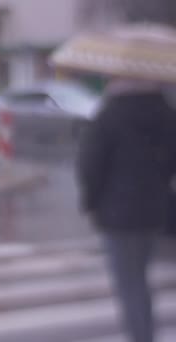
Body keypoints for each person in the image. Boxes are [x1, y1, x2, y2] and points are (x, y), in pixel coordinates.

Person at [77, 78, 176, 342]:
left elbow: (91, 165)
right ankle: (145, 333)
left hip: (117, 214)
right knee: (140, 280)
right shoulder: (167, 114)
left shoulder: (110, 115)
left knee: (129, 283)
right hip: (155, 212)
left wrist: (90, 202)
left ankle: (141, 337)